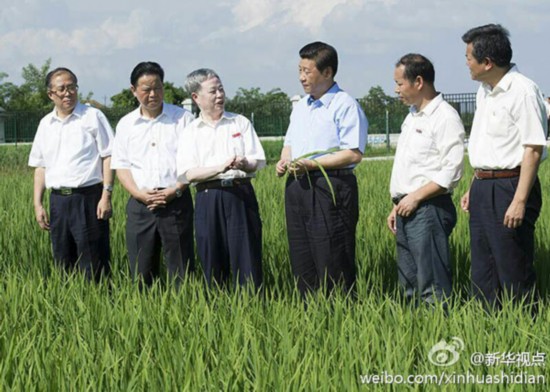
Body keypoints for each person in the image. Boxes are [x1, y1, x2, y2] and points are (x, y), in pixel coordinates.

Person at [460, 24, 548, 308]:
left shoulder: (522, 90)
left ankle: (524, 329)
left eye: (469, 57)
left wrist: (520, 201)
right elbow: (488, 146)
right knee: (483, 268)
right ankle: (489, 330)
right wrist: (475, 186)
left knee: (513, 268)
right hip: (485, 186)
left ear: (487, 62)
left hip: (511, 186)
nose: (466, 63)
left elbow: (533, 148)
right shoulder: (485, 91)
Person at [276, 42, 368, 297]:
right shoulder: (301, 107)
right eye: (299, 70)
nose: (301, 77)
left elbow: (353, 153)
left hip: (330, 187)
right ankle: (309, 311)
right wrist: (285, 161)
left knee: (332, 252)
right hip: (297, 186)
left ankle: (339, 310)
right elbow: (290, 143)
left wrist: (311, 163)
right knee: (302, 253)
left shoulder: (344, 104)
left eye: (307, 71)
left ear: (327, 73)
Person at [387, 54, 465, 307]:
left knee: (431, 284)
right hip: (407, 207)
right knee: (409, 284)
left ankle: (438, 337)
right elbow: (413, 168)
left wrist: (416, 197)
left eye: (400, 83)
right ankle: (414, 335)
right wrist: (399, 203)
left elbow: (451, 171)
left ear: (418, 81)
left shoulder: (444, 117)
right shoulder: (412, 117)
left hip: (428, 209)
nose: (396, 89)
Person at [177, 68, 265, 289]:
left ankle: (252, 306)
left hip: (240, 194)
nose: (220, 95)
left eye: (221, 89)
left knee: (247, 255)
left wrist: (245, 164)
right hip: (209, 197)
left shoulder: (239, 123)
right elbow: (189, 173)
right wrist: (220, 167)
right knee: (212, 256)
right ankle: (218, 310)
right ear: (196, 97)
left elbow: (257, 160)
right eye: (213, 91)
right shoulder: (191, 131)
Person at [111, 62, 195, 286]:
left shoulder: (183, 119)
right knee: (141, 271)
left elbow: (192, 162)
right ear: (133, 90)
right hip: (141, 206)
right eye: (146, 89)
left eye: (157, 87)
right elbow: (122, 166)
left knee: (182, 270)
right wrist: (139, 194)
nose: (153, 94)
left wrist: (176, 189)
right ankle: (146, 316)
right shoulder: (126, 125)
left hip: (176, 202)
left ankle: (185, 311)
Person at [28, 67, 114, 281]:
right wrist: (38, 204)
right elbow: (40, 166)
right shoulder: (46, 124)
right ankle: (71, 305)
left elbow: (108, 156)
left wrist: (106, 195)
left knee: (94, 260)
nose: (68, 93)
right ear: (51, 94)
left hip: (88, 198)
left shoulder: (93, 117)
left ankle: (100, 304)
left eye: (72, 87)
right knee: (63, 259)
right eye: (62, 89)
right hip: (58, 201)